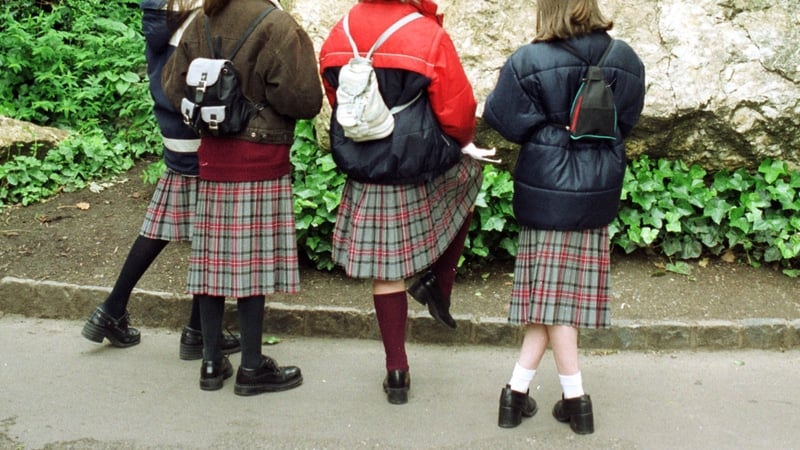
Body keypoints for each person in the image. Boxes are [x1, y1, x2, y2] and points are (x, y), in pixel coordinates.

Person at [483, 0, 645, 434]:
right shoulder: (625, 58)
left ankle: (574, 400)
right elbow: (625, 120)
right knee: (556, 298)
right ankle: (515, 395)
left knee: (552, 298)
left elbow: (502, 118)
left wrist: (546, 131)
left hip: (546, 188)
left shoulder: (529, 59)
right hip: (597, 185)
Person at [319, 0, 483, 405]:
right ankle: (438, 280)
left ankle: (397, 371)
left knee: (386, 271)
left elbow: (335, 95)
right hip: (414, 154)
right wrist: (462, 142)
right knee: (469, 175)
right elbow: (457, 110)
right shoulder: (425, 32)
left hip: (364, 159)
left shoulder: (342, 31)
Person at [161, 0, 322, 394]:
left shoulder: (201, 20)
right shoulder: (278, 24)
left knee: (211, 261)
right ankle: (252, 366)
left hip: (213, 155)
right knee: (254, 262)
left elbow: (172, 86)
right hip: (261, 156)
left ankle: (212, 363)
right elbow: (304, 100)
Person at [81, 0, 241, 361]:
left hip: (174, 129)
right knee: (209, 230)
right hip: (203, 131)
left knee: (166, 226)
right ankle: (192, 331)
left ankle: (116, 309)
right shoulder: (198, 17)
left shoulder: (164, 12)